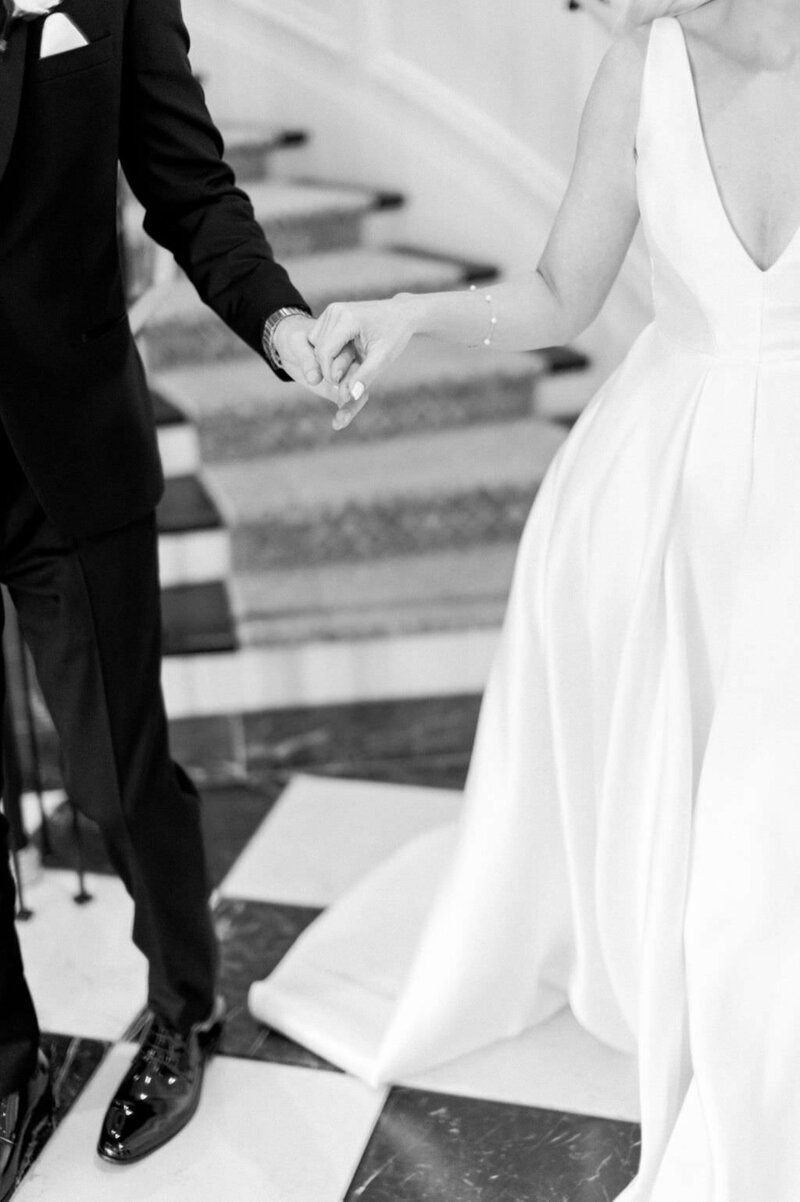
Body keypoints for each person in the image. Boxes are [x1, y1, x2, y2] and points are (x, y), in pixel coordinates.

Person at [249, 0, 800, 1196]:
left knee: (764, 830)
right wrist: (408, 315)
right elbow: (562, 288)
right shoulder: (638, 66)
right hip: (664, 505)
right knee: (715, 800)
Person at [0, 0, 355, 1190]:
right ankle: (12, 1055)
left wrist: (281, 320)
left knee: (118, 768)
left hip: (69, 460)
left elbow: (191, 190)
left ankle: (183, 1004)